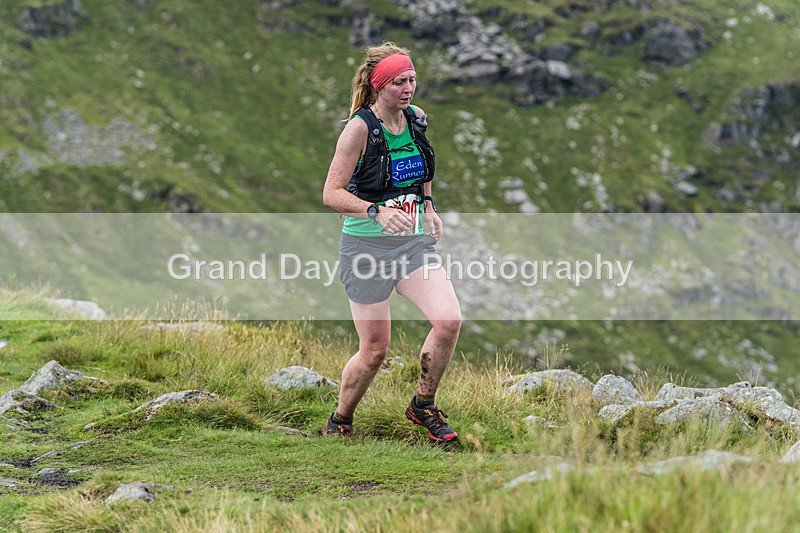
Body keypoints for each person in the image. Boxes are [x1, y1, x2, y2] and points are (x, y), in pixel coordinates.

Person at [321, 42, 462, 442]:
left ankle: (423, 406)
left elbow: (422, 167)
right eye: (399, 81)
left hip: (412, 244)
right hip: (365, 250)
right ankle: (341, 418)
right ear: (379, 85)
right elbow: (331, 193)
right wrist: (375, 211)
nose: (409, 88)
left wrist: (429, 205)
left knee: (449, 320)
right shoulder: (359, 129)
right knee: (375, 352)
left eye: (413, 79)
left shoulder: (415, 120)